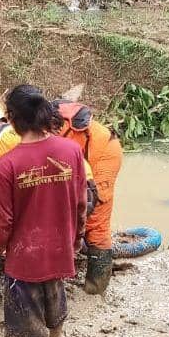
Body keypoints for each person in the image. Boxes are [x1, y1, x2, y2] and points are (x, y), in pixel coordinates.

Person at [0, 85, 87, 337]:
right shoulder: (72, 151)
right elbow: (80, 202)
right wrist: (75, 240)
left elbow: (2, 222)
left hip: (25, 257)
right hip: (60, 246)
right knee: (55, 293)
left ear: (12, 119)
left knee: (27, 311)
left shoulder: (8, 165)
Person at [52, 99, 123, 295]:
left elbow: (87, 199)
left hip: (103, 158)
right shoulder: (50, 124)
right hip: (79, 162)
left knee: (96, 220)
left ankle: (96, 287)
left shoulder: (70, 133)